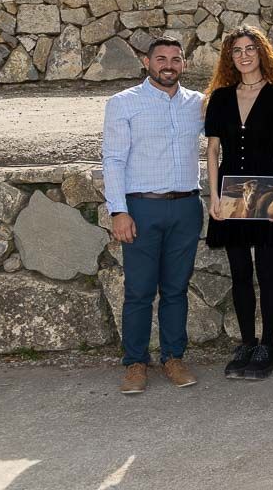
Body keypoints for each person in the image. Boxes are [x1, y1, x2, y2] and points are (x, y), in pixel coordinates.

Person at [102, 37, 204, 394]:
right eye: (161, 58)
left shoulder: (198, 104)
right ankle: (134, 363)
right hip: (142, 207)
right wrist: (119, 210)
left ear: (184, 64)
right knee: (140, 290)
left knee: (176, 289)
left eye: (176, 59)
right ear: (146, 62)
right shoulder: (124, 103)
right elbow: (113, 160)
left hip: (187, 206)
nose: (169, 65)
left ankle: (173, 357)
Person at [204, 26, 273, 381]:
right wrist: (213, 196)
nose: (244, 55)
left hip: (268, 189)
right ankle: (246, 343)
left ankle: (268, 346)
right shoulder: (220, 98)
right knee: (240, 271)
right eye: (236, 51)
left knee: (267, 270)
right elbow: (213, 151)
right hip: (229, 191)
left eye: (250, 49)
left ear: (263, 53)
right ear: (229, 58)